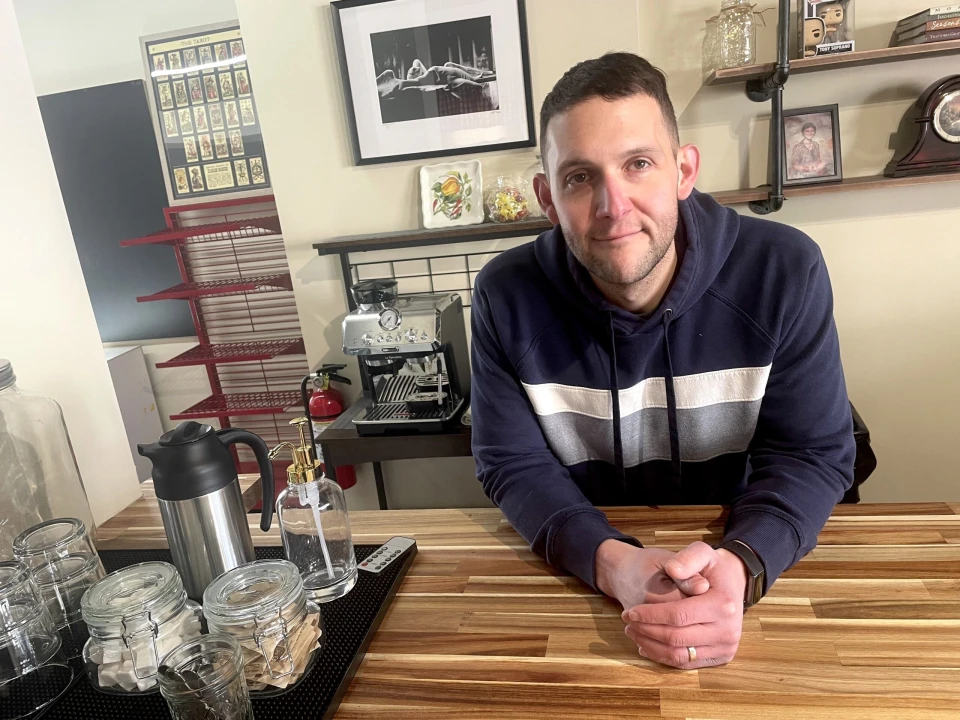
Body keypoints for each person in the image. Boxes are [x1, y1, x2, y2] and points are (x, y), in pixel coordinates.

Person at [470, 53, 854, 670]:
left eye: (638, 164)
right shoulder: (504, 295)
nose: (613, 205)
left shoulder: (785, 271)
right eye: (579, 177)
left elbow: (812, 453)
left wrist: (743, 564)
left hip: (742, 551)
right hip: (585, 588)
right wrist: (613, 563)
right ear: (547, 198)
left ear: (684, 170)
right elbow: (511, 464)